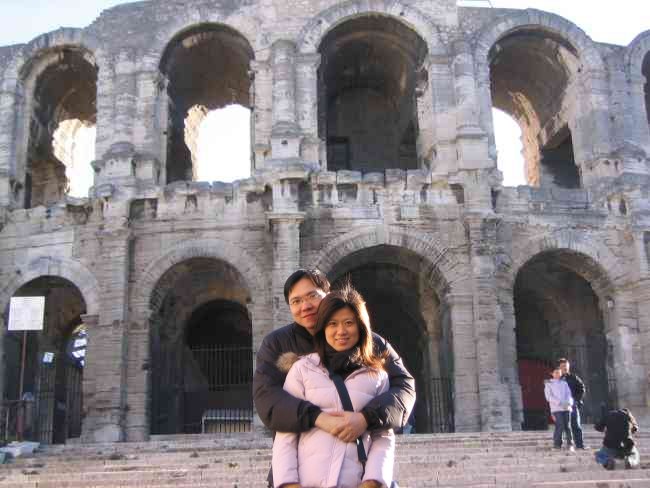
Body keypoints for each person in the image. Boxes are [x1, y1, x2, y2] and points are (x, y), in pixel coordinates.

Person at [253, 269, 415, 486]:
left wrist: (366, 418)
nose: (305, 306)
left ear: (328, 295)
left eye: (312, 296)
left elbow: (403, 388)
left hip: (358, 472)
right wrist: (319, 418)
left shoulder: (372, 345)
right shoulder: (277, 344)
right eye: (296, 301)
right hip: (301, 471)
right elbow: (267, 399)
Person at [272, 286, 394, 488]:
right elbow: (286, 433)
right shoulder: (302, 370)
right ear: (322, 329)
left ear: (361, 327)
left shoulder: (378, 376)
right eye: (332, 324)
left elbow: (382, 436)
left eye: (349, 323)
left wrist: (372, 482)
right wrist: (288, 484)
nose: (341, 331)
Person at [544, 363, 574, 451]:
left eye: (559, 373)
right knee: (560, 425)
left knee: (568, 426)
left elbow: (569, 394)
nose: (558, 374)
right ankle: (557, 444)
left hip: (566, 407)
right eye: (556, 372)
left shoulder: (564, 383)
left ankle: (570, 444)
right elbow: (548, 397)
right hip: (556, 408)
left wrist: (568, 403)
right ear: (552, 374)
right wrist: (559, 403)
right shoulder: (549, 384)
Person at [559, 358, 586, 449]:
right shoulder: (556, 379)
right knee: (562, 426)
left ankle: (579, 445)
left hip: (572, 405)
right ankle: (562, 445)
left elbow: (582, 388)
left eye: (566, 366)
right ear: (559, 368)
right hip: (560, 406)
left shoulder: (574, 377)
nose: (565, 368)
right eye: (563, 367)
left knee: (576, 425)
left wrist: (576, 400)